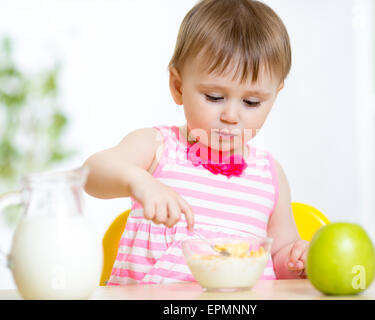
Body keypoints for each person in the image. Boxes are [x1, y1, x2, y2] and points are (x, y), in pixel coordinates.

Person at [84, 0, 309, 286]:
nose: (231, 116)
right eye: (214, 97)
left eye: (252, 102)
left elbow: (279, 257)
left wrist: (296, 260)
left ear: (275, 95)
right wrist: (138, 180)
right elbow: (90, 173)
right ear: (178, 86)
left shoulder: (270, 175)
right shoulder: (157, 147)